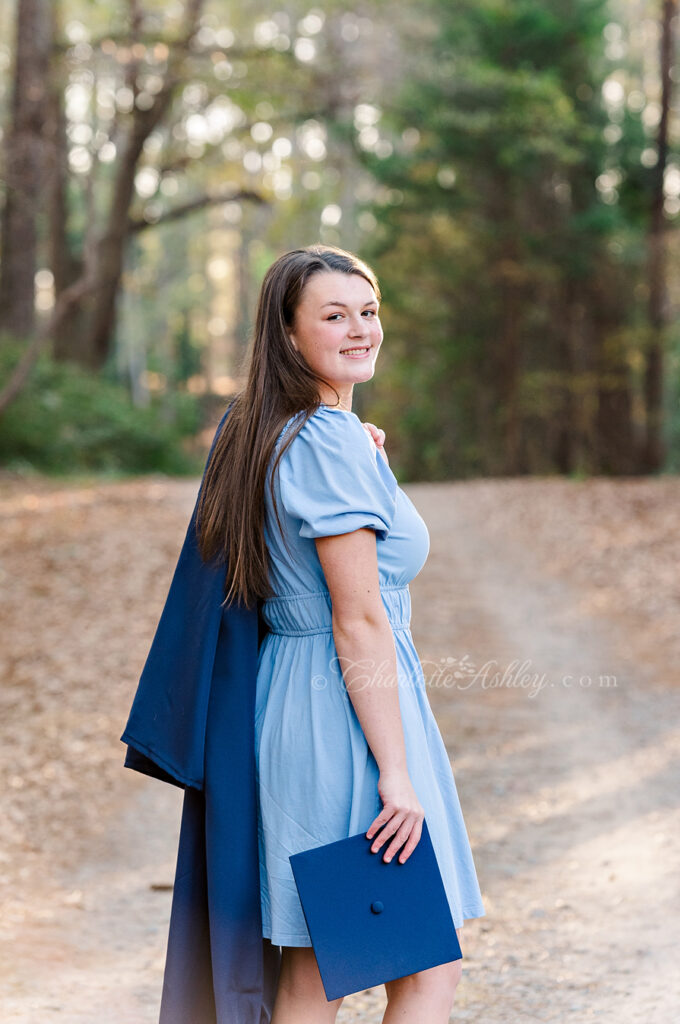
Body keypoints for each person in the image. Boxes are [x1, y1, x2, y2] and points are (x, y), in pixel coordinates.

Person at [191, 243, 486, 1023]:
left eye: (369, 311)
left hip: (301, 702)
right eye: (334, 315)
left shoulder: (273, 432)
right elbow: (356, 619)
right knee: (424, 971)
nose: (361, 329)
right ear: (288, 335)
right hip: (348, 717)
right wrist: (395, 770)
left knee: (317, 971)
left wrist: (361, 451)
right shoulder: (324, 441)